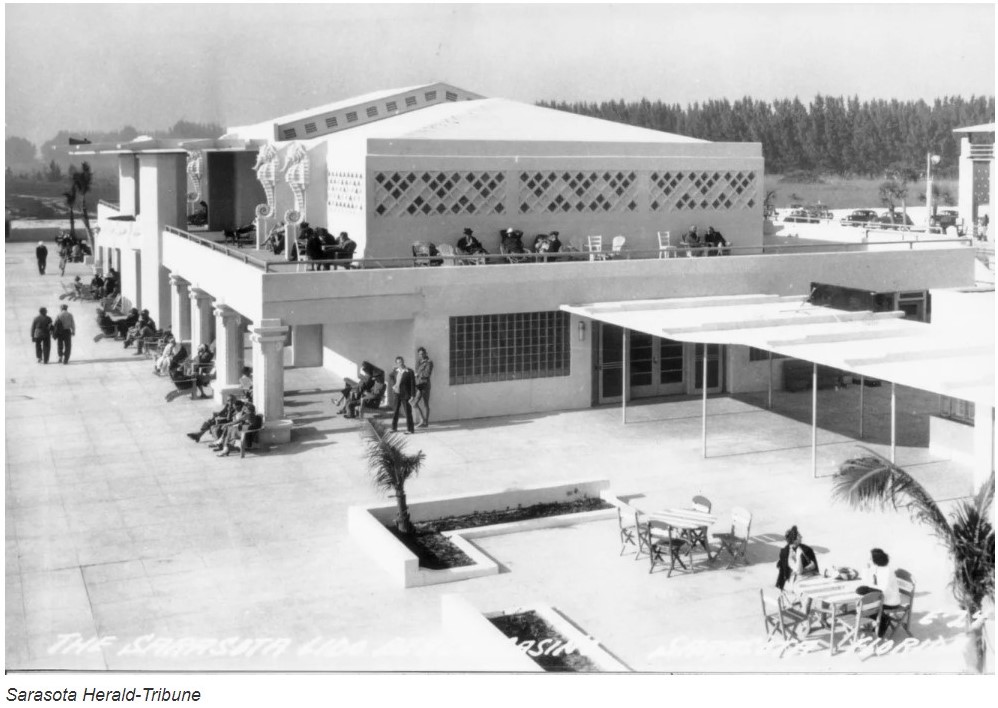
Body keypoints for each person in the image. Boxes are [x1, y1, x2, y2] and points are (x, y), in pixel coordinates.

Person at [858, 548, 902, 638]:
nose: (869, 560)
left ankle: (882, 619)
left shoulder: (887, 571)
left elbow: (883, 589)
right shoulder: (877, 568)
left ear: (876, 559)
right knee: (863, 597)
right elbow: (867, 581)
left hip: (890, 601)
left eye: (870, 558)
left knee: (865, 606)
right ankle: (880, 619)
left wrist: (868, 589)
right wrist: (867, 569)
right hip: (882, 597)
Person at [775, 525, 819, 592]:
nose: (801, 537)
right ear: (794, 539)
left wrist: (804, 570)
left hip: (809, 577)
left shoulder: (807, 549)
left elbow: (814, 565)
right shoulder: (785, 552)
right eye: (799, 536)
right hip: (795, 581)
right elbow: (783, 570)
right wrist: (780, 585)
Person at [389, 356, 416, 434]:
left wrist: (412, 395)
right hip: (397, 394)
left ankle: (410, 429)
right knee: (395, 411)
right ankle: (394, 428)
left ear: (403, 362)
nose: (400, 363)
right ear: (396, 363)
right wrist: (393, 385)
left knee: (408, 412)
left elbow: (412, 384)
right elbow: (391, 376)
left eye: (401, 361)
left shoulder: (409, 371)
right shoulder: (395, 371)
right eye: (398, 362)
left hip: (406, 394)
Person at [412, 347, 434, 428]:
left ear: (425, 353)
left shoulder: (429, 362)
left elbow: (427, 374)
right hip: (419, 385)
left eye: (422, 354)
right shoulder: (418, 362)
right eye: (419, 354)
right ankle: (422, 420)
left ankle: (426, 423)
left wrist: (418, 375)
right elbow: (416, 371)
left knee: (425, 404)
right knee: (414, 403)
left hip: (425, 384)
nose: (421, 355)